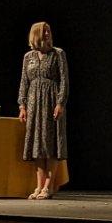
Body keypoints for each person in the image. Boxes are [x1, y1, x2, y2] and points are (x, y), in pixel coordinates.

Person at [18, 22, 68, 200]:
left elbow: (64, 80)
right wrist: (22, 105)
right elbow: (24, 82)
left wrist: (60, 103)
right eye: (43, 31)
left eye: (49, 30)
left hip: (52, 100)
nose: (47, 33)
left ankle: (48, 186)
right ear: (35, 34)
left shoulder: (58, 54)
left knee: (51, 144)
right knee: (37, 146)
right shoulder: (28, 57)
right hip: (33, 103)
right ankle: (39, 186)